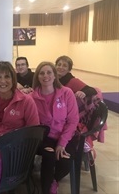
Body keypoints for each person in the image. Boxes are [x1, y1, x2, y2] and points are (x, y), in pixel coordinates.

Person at [0, 61, 40, 194]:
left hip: (17, 149)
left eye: (7, 76)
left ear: (13, 79)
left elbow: (34, 131)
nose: (3, 81)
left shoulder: (26, 101)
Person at [31, 61, 79, 194]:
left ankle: (54, 180)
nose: (45, 76)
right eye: (41, 73)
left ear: (54, 75)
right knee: (49, 156)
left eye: (49, 72)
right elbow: (32, 123)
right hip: (44, 137)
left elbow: (73, 120)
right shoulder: (32, 97)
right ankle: (46, 190)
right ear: (37, 77)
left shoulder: (66, 93)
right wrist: (41, 142)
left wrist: (62, 144)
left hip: (65, 135)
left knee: (65, 162)